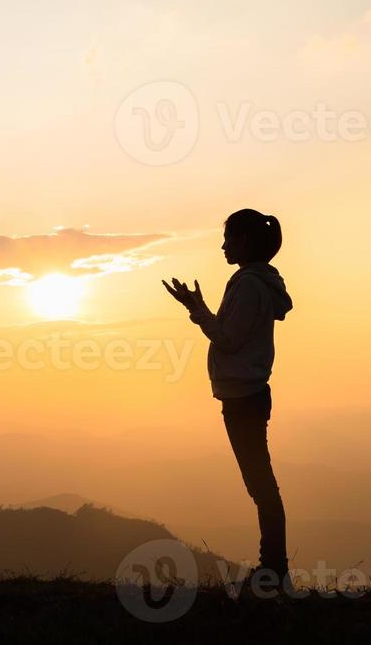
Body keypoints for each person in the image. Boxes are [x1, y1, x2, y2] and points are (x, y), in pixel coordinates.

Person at [163, 209, 294, 593]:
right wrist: (200, 307)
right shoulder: (255, 283)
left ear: (246, 242)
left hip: (244, 398)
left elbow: (228, 337)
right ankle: (273, 569)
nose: (222, 246)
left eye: (229, 239)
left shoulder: (250, 285)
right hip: (247, 395)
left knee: (261, 486)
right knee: (261, 484)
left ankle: (273, 571)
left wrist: (195, 309)